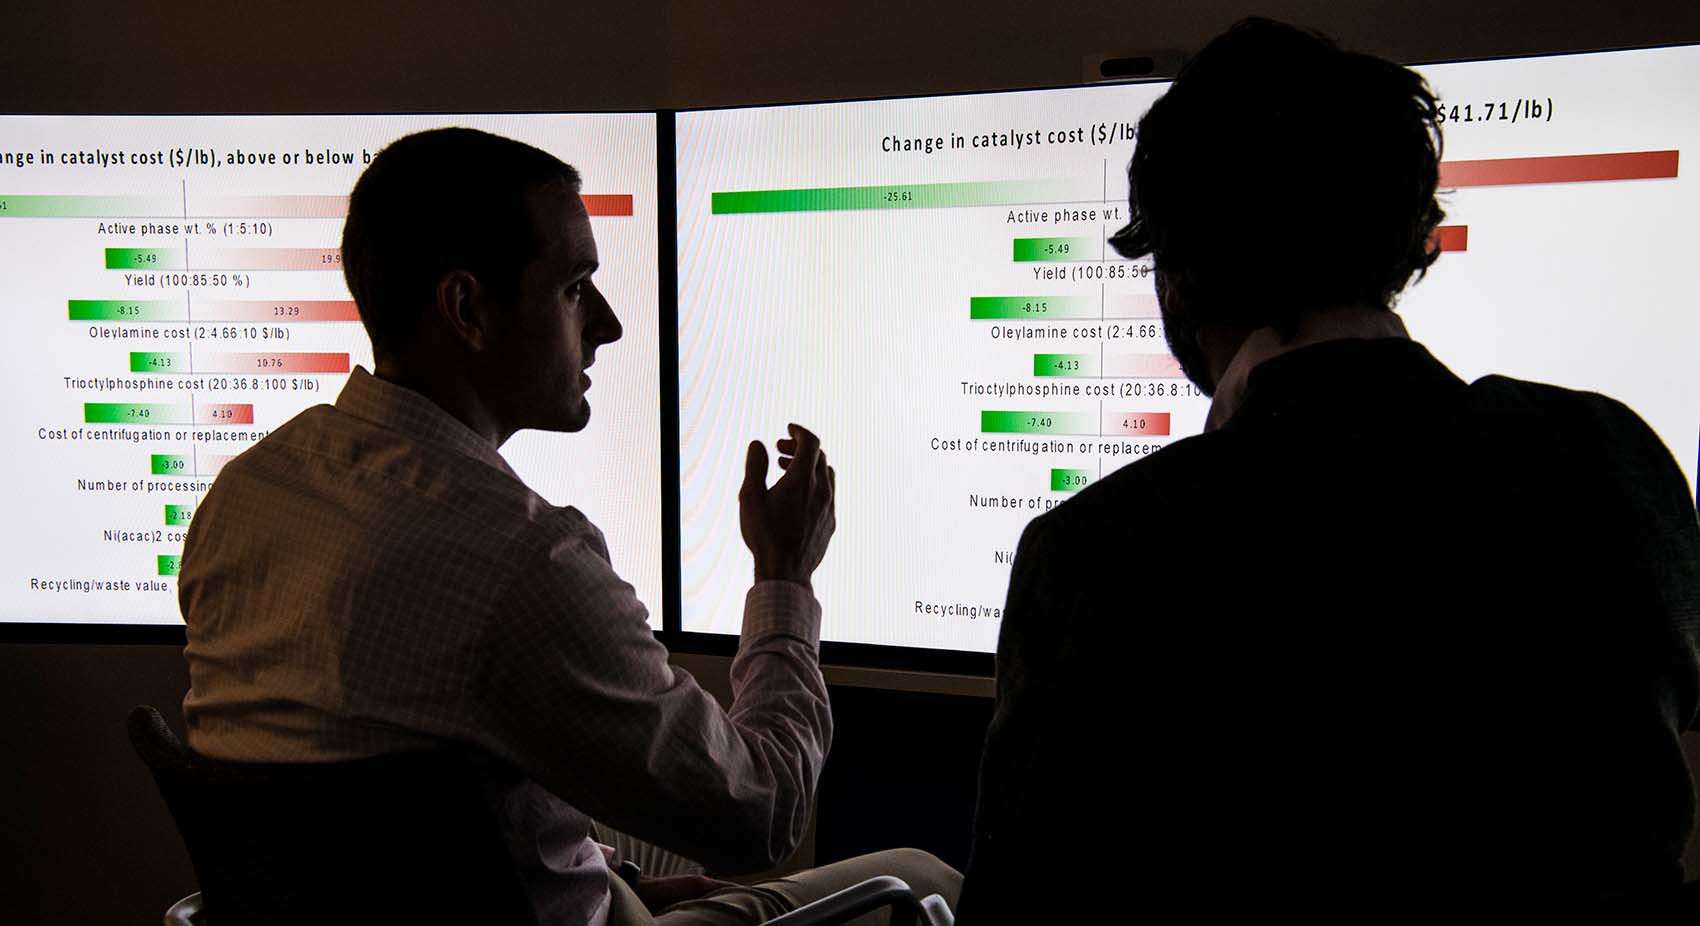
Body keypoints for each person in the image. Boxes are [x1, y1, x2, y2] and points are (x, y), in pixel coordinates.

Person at [959, 18, 1700, 920]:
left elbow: (1025, 892)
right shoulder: (1615, 460)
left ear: (1178, 274)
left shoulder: (1102, 547)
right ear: (1408, 235)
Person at [179, 127, 958, 926]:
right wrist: (784, 577)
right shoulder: (522, 561)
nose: (609, 324)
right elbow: (757, 813)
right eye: (575, 287)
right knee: (926, 878)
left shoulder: (245, 495)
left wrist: (604, 878)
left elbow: (387, 808)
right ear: (468, 309)